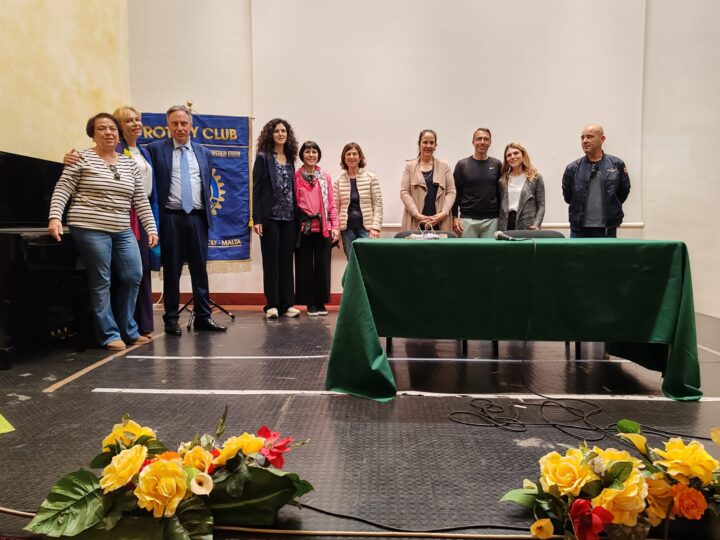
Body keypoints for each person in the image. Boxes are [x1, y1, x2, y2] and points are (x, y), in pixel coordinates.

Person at [48, 113, 158, 351]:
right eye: (101, 129)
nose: (108, 132)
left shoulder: (128, 162)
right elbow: (62, 189)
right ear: (92, 134)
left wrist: (151, 227)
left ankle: (128, 329)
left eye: (112, 128)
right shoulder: (80, 158)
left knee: (133, 275)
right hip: (89, 226)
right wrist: (55, 217)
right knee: (102, 280)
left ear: (119, 134)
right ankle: (108, 334)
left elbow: (139, 198)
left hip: (122, 227)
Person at [145, 104, 227, 334]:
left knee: (200, 270)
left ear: (191, 125)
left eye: (184, 123)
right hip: (171, 217)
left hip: (198, 219)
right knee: (172, 270)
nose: (180, 128)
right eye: (175, 123)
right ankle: (171, 319)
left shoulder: (204, 153)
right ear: (168, 126)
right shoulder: (153, 149)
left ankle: (203, 316)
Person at [112, 106, 159, 338]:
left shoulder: (145, 151)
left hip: (145, 212)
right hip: (124, 214)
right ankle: (126, 325)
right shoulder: (115, 151)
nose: (135, 124)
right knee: (130, 271)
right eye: (129, 120)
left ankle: (144, 324)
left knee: (144, 269)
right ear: (120, 126)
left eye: (138, 119)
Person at [252, 118, 301, 319]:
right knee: (271, 262)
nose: (280, 134)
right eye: (276, 131)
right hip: (270, 217)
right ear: (270, 135)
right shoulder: (263, 157)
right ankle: (271, 304)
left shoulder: (290, 159)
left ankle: (287, 304)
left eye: (283, 131)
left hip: (289, 217)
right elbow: (256, 189)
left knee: (286, 262)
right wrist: (257, 219)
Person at [294, 141, 339, 316]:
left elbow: (331, 205)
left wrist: (334, 226)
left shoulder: (325, 177)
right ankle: (309, 303)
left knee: (322, 265)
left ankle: (321, 302)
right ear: (302, 155)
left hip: (323, 228)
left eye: (314, 151)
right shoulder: (296, 176)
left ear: (318, 155)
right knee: (304, 266)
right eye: (307, 152)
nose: (311, 154)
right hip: (303, 228)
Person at [562, 124, 631, 238]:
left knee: (606, 257)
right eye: (582, 137)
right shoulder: (572, 168)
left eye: (589, 137)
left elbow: (623, 192)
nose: (584, 141)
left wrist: (611, 205)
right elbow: (568, 196)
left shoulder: (617, 164)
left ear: (602, 139)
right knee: (577, 257)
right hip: (578, 230)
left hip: (607, 229)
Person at [334, 142, 383, 258]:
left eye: (355, 154)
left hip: (367, 229)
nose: (351, 157)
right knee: (352, 263)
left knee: (367, 262)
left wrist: (375, 228)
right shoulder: (338, 180)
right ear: (344, 158)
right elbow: (335, 207)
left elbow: (378, 204)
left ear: (360, 157)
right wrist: (336, 229)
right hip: (347, 230)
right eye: (348, 154)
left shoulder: (371, 178)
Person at [400, 129, 455, 231]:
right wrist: (417, 215)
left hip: (440, 222)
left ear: (435, 146)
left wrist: (443, 214)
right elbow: (404, 192)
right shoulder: (409, 167)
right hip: (415, 221)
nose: (428, 146)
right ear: (419, 144)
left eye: (431, 142)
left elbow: (451, 192)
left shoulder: (444, 166)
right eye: (425, 142)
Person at [451, 128, 502, 238]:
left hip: (491, 220)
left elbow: (500, 193)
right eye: (479, 139)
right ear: (473, 142)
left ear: (490, 142)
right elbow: (455, 192)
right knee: (468, 254)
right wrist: (454, 217)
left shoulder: (497, 164)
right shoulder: (462, 165)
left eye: (486, 139)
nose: (482, 142)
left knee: (489, 254)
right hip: (467, 220)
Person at [498, 143, 546, 231]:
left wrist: (537, 224)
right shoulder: (503, 180)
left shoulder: (535, 178)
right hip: (505, 224)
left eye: (516, 153)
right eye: (509, 155)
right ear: (506, 160)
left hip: (528, 225)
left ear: (523, 155)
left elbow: (541, 205)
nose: (512, 157)